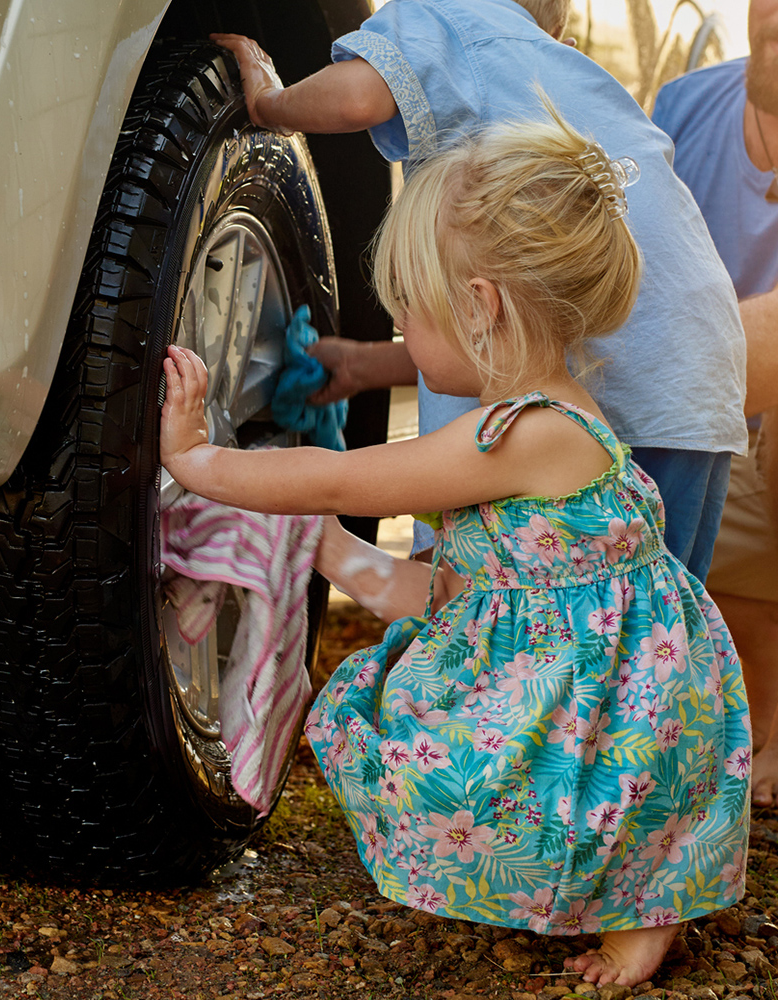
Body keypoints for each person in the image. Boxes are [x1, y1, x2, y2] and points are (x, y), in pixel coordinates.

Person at [160, 107, 750, 989]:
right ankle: (626, 896)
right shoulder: (540, 422)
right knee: (558, 789)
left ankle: (645, 917)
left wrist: (196, 459)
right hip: (591, 664)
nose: (403, 335)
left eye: (409, 314)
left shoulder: (525, 433)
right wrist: (324, 552)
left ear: (480, 307)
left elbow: (342, 481)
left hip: (622, 695)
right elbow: (461, 593)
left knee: (555, 795)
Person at [211, 0, 747, 585]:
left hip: (638, 372)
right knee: (642, 605)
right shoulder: (566, 71)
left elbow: (357, 98)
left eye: (407, 302)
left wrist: (269, 103)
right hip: (697, 378)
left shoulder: (447, 15)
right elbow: (516, 332)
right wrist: (366, 366)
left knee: (463, 577)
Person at [651, 0, 778, 807]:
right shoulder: (684, 107)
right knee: (688, 467)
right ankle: (765, 716)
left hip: (738, 382)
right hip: (721, 406)